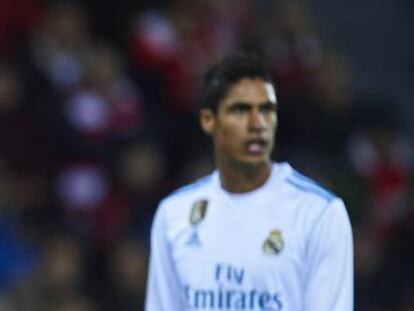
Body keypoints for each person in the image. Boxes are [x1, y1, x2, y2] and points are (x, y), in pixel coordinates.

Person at [145, 52, 353, 310]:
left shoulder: (319, 213)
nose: (258, 124)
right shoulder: (174, 214)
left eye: (267, 110)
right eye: (240, 110)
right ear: (209, 120)